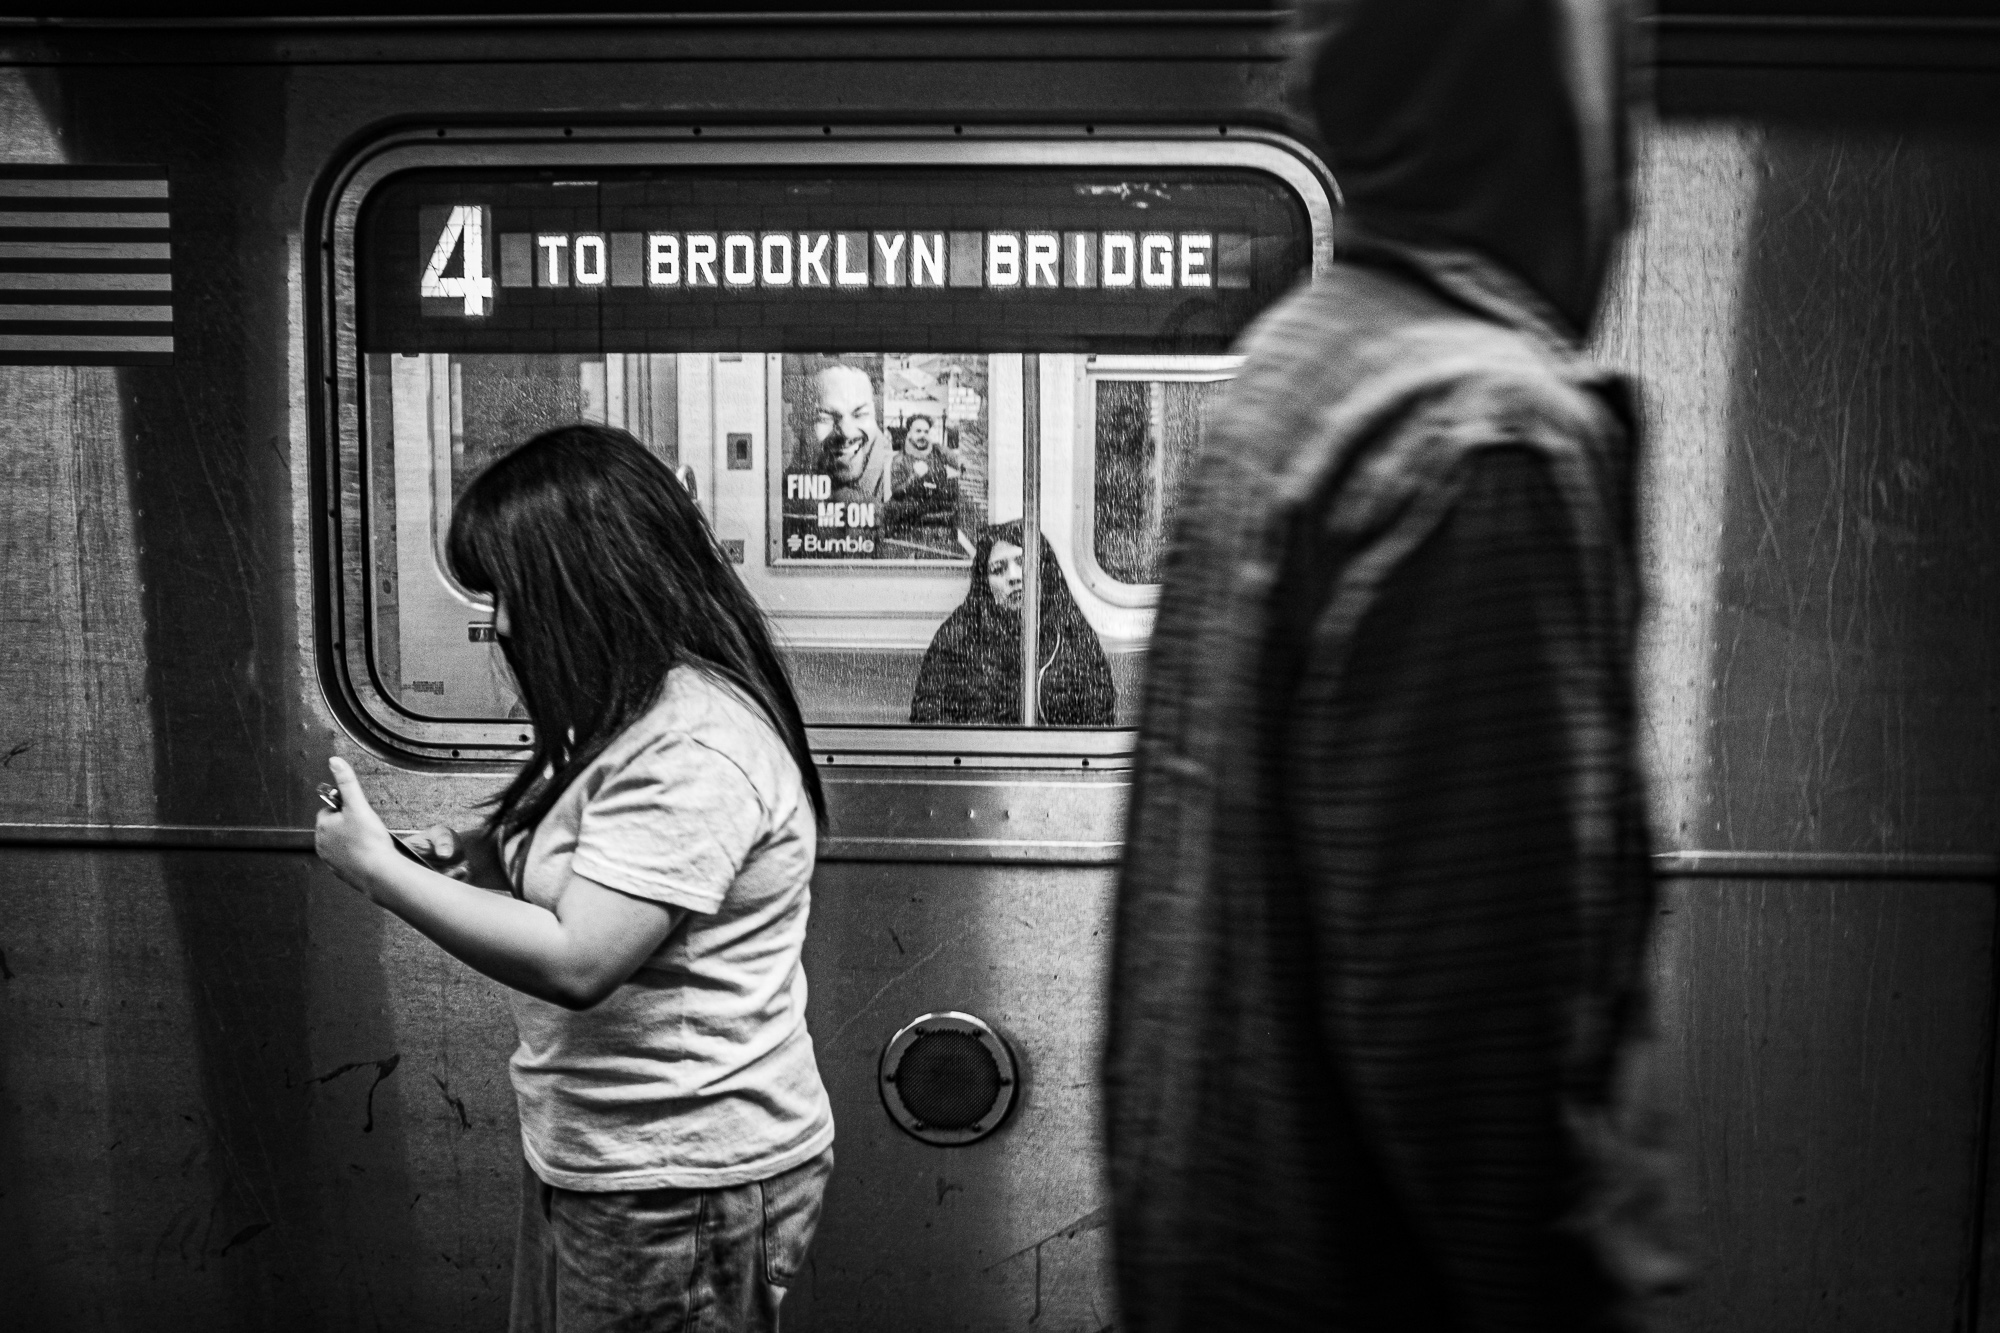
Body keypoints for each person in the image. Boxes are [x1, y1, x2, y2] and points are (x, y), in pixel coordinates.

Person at [1102, 1, 1682, 1330]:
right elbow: (1487, 1092)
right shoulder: (1479, 439)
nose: (1636, 182)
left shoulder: (1293, 375)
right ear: (1547, 115)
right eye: (1619, 97)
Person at [315, 424, 834, 1332]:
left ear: (592, 577)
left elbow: (580, 960)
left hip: (681, 1177)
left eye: (514, 591)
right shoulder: (626, 708)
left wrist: (378, 872)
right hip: (609, 1151)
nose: (502, 623)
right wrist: (481, 850)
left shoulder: (694, 742)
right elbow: (596, 848)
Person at [909, 520, 1115, 726]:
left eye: (1023, 563)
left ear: (1044, 571)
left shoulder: (1071, 630)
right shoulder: (959, 634)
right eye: (998, 569)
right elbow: (927, 718)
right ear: (985, 584)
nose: (1013, 576)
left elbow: (1098, 718)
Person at [882, 413, 961, 555]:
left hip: (937, 501)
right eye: (918, 431)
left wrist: (958, 469)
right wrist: (915, 477)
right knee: (888, 509)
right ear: (909, 433)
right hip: (911, 505)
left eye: (926, 432)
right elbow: (897, 491)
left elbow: (960, 465)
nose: (923, 435)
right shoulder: (900, 459)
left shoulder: (939, 451)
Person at [811, 362, 890, 505]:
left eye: (860, 414)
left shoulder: (895, 476)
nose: (846, 432)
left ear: (875, 414)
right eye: (826, 418)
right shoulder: (803, 469)